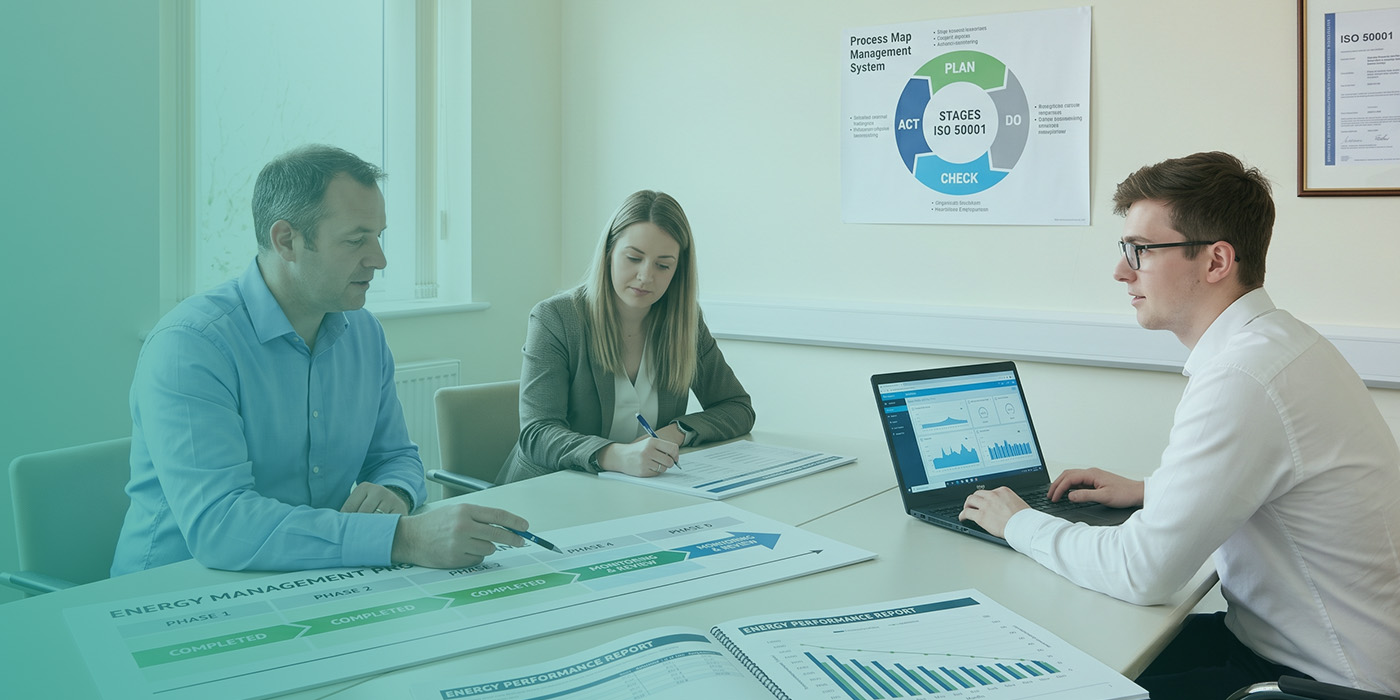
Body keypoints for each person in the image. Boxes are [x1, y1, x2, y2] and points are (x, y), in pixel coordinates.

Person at [957, 152, 1400, 698]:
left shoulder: (1244, 375)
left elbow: (1143, 574)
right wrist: (1153, 492)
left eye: (1141, 251)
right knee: (1082, 659)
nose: (1121, 271)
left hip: (1321, 683)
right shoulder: (1280, 344)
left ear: (1216, 261)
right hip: (1293, 649)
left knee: (1051, 681)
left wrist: (1017, 522)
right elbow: (1285, 482)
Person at [112, 145, 528, 575]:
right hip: (173, 595)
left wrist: (394, 491)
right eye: (355, 240)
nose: (380, 260)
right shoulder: (190, 346)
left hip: (312, 578)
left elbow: (397, 455)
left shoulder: (363, 333)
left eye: (379, 236)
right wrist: (401, 538)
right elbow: (222, 527)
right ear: (286, 240)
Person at [498, 190, 755, 483]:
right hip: (546, 492)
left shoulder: (685, 323)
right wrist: (618, 456)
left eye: (663, 265)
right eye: (634, 258)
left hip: (633, 495)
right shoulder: (556, 318)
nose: (646, 276)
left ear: (678, 270)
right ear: (609, 252)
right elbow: (537, 434)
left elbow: (737, 408)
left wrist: (675, 432)